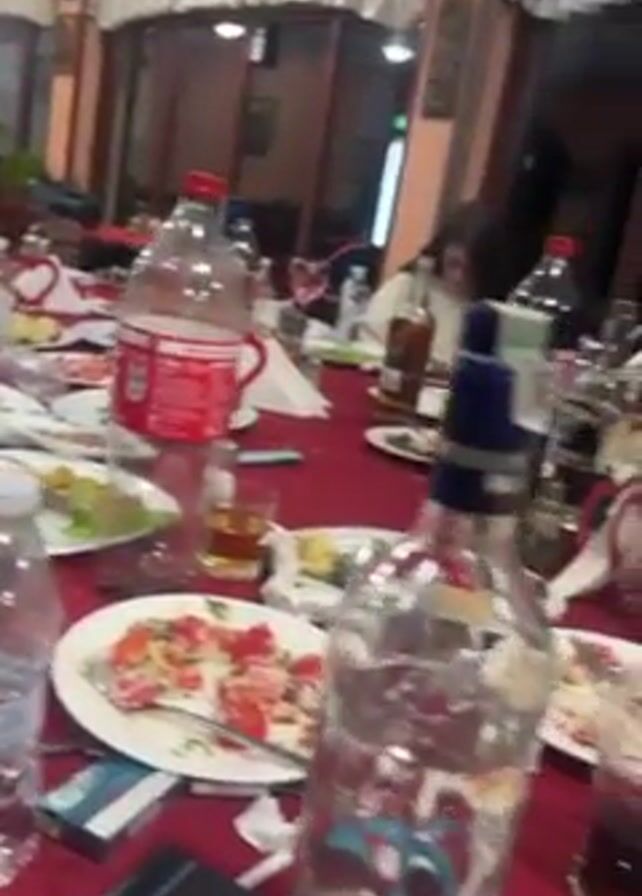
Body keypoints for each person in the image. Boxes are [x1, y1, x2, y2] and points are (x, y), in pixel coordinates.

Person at [361, 202, 512, 365]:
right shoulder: (406, 286)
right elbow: (369, 341)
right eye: (453, 264)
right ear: (441, 253)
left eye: (469, 271)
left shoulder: (488, 314)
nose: (458, 277)